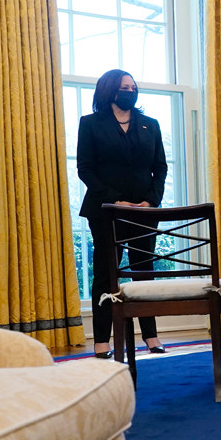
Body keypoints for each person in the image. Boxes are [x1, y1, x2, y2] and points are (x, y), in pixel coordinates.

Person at [77, 69, 168, 358]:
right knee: (106, 275)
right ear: (109, 90)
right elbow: (85, 169)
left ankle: (151, 336)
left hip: (144, 212)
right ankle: (102, 340)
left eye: (133, 87)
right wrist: (115, 200)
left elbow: (160, 168)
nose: (130, 91)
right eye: (124, 87)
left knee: (144, 274)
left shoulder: (150, 125)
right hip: (106, 210)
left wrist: (150, 202)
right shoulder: (90, 124)